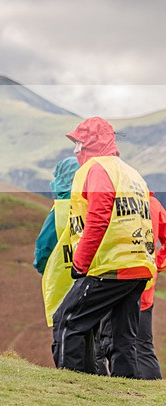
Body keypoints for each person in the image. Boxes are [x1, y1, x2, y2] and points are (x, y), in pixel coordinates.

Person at [52, 117, 156, 377]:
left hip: (109, 265)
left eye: (78, 142)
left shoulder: (97, 169)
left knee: (67, 322)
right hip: (139, 266)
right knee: (124, 340)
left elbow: (99, 217)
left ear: (89, 143)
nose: (75, 150)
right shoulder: (131, 173)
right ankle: (127, 393)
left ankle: (72, 388)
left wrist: (81, 262)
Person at [96, 193, 166, 379]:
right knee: (143, 346)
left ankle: (122, 391)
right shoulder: (154, 204)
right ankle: (151, 393)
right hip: (145, 287)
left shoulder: (116, 203)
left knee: (111, 343)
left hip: (116, 284)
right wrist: (156, 265)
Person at [35, 157, 80, 328]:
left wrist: (43, 267)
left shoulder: (59, 210)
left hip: (63, 287)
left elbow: (43, 248)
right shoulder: (94, 204)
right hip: (95, 285)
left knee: (66, 340)